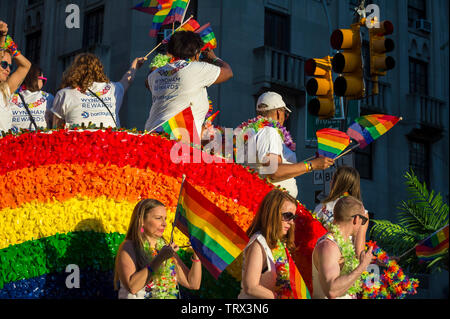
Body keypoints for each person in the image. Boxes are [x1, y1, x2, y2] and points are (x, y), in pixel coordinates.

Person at [241, 91, 335, 199]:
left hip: (267, 199)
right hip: (275, 202)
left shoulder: (253, 132)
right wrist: (311, 165)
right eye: (286, 114)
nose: (285, 118)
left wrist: (314, 161)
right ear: (278, 113)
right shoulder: (269, 132)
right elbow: (274, 170)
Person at [144, 31, 233, 138]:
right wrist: (213, 58)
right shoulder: (196, 68)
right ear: (196, 53)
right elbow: (228, 72)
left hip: (152, 137)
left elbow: (148, 82)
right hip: (178, 139)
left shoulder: (155, 74)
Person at [114, 199, 202, 299]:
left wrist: (197, 254)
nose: (164, 223)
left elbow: (193, 284)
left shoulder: (165, 248)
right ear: (142, 220)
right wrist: (160, 258)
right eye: (158, 218)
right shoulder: (129, 246)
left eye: (165, 218)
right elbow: (132, 287)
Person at [51, 53, 146, 129]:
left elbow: (56, 129)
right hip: (110, 146)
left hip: (78, 147)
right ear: (99, 69)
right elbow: (127, 80)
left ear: (74, 70)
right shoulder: (114, 89)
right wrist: (135, 66)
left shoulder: (64, 94)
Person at [239, 189, 302, 299]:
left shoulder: (280, 243)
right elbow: (250, 287)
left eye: (293, 217)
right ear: (273, 214)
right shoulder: (258, 244)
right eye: (288, 216)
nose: (291, 222)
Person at [312, 196, 373, 299]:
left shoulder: (343, 246)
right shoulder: (328, 246)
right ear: (356, 219)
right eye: (363, 221)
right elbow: (332, 290)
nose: (362, 225)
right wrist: (362, 266)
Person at [313, 166, 368, 257]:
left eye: (333, 179)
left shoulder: (320, 207)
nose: (330, 182)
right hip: (344, 262)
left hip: (320, 258)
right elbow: (359, 252)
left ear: (339, 184)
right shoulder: (361, 212)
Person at [0, 21, 31, 133]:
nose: (8, 69)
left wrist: (13, 49)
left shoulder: (5, 90)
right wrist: (3, 38)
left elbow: (26, 66)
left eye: (10, 66)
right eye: (4, 64)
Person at [9, 64, 54, 132]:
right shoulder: (48, 98)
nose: (43, 83)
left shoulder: (10, 96)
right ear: (35, 79)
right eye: (43, 80)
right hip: (40, 141)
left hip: (13, 140)